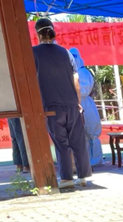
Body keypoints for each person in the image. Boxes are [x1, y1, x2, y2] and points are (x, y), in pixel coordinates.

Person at [32, 17, 91, 189]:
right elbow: (76, 79)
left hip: (51, 106)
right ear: (53, 32)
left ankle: (66, 179)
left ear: (38, 34)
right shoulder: (66, 53)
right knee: (78, 141)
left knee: (61, 142)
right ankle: (83, 177)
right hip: (72, 104)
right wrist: (78, 102)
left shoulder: (33, 52)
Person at [69, 48, 103, 167]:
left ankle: (96, 160)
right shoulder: (74, 72)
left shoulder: (83, 72)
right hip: (78, 104)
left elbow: (83, 90)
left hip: (86, 105)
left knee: (92, 133)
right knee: (83, 135)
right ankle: (88, 160)